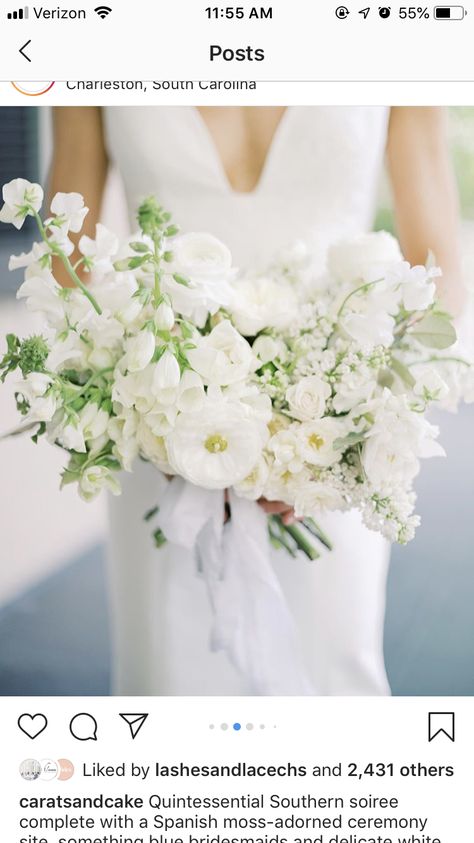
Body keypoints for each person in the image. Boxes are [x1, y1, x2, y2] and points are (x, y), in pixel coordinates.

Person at [49, 106, 465, 695]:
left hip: (333, 440)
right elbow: (66, 263)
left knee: (331, 668)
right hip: (154, 411)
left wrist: (332, 419)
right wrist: (151, 406)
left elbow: (437, 267)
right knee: (168, 680)